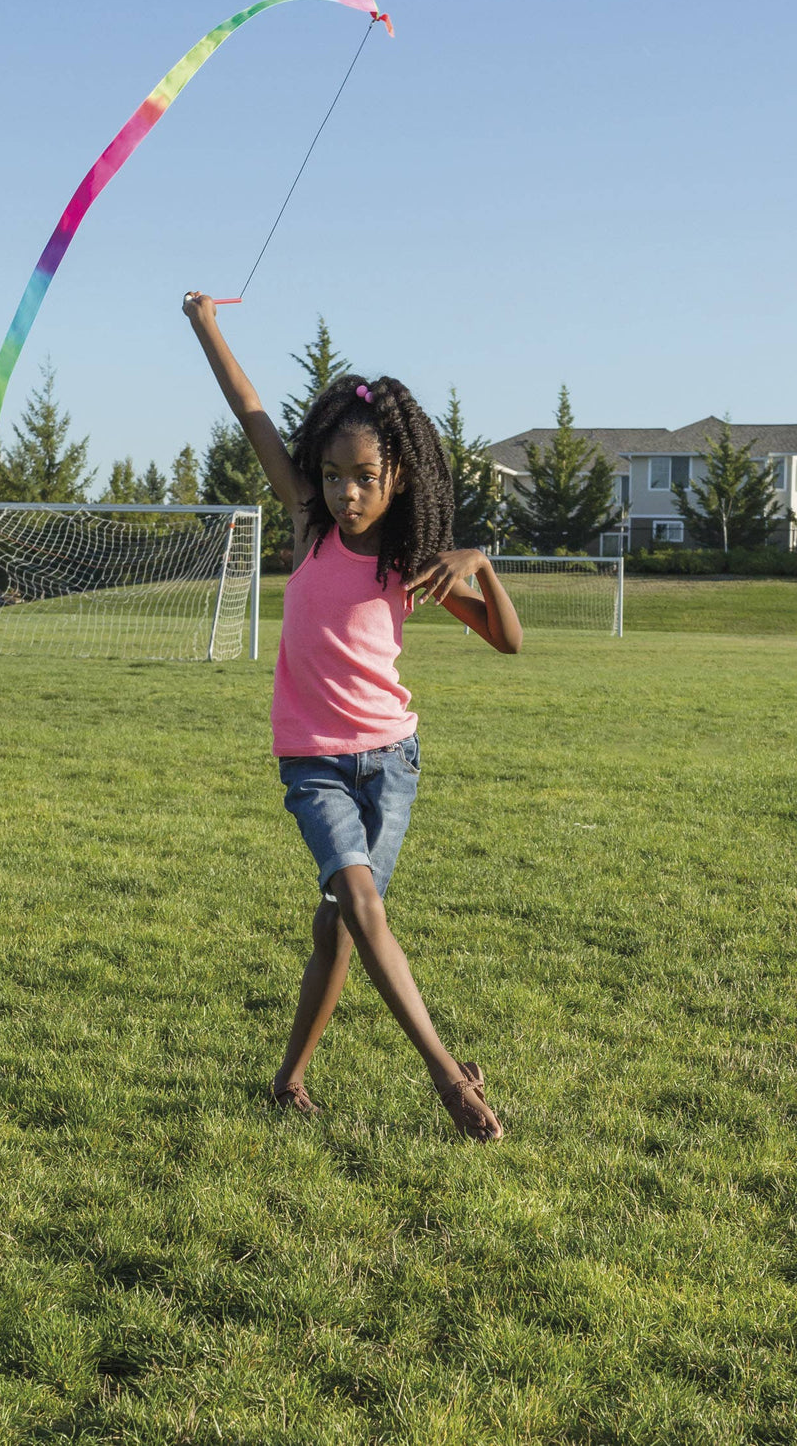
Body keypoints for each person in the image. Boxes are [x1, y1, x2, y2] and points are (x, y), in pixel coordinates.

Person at [182, 293, 523, 1142]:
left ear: (398, 474)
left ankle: (289, 1078)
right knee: (361, 903)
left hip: (394, 764)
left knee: (339, 921)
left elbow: (508, 641)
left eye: (363, 477)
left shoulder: (410, 562)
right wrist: (205, 325)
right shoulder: (309, 530)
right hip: (315, 765)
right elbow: (251, 411)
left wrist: (479, 562)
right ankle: (447, 1075)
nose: (343, 493)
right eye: (332, 476)